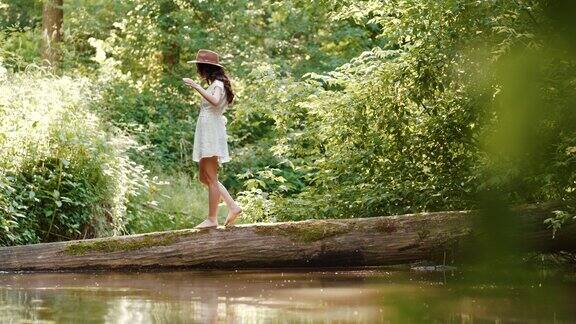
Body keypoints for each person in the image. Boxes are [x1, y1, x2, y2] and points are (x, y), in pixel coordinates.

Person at [183, 49, 242, 229]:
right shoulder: (217, 83)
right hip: (209, 129)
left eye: (199, 67)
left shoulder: (216, 84)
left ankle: (212, 219)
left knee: (211, 177)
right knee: (204, 177)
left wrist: (196, 86)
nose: (198, 71)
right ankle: (232, 206)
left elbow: (215, 101)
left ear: (205, 68)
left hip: (210, 132)